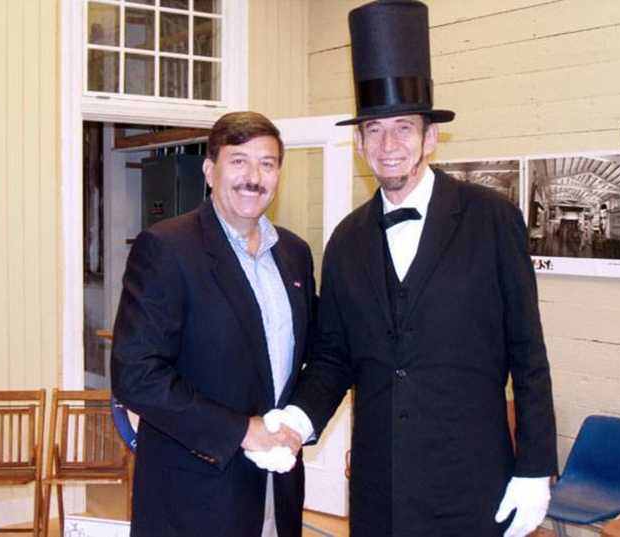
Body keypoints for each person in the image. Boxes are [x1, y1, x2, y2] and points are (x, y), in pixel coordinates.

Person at [267, 2, 558, 536]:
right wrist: (297, 420)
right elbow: (334, 357)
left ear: (430, 137)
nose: (389, 144)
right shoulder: (347, 239)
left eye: (404, 128)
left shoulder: (492, 219)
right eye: (375, 130)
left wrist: (535, 466)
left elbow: (528, 354)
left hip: (472, 482)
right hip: (382, 488)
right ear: (359, 144)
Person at [111, 111, 316, 537]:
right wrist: (243, 431)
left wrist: (300, 421)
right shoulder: (167, 248)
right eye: (239, 161)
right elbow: (136, 375)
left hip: (277, 489)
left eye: (267, 163)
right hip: (193, 495)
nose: (253, 177)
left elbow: (310, 356)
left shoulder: (295, 254)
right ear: (209, 170)